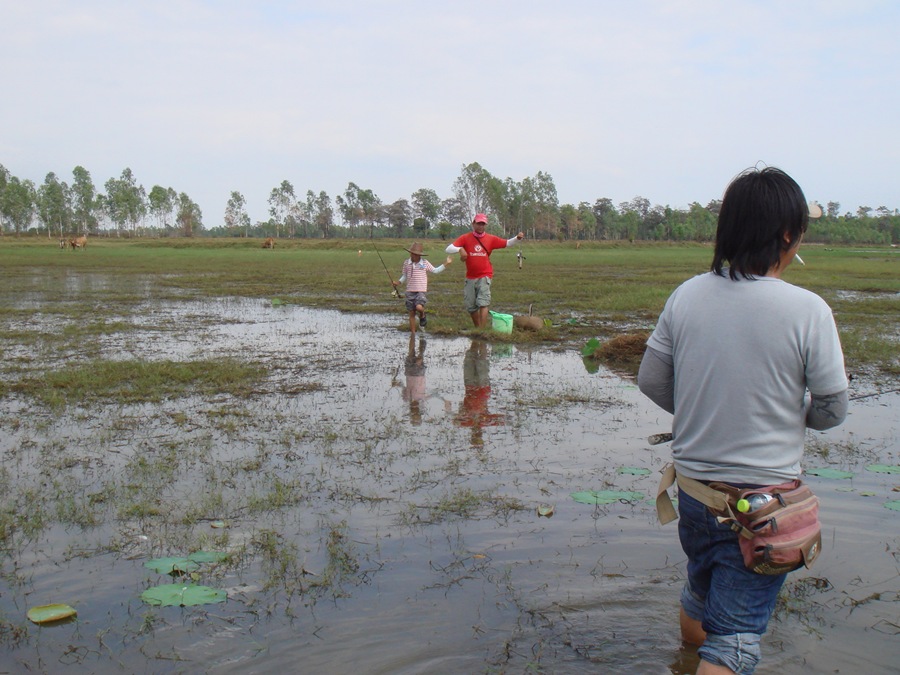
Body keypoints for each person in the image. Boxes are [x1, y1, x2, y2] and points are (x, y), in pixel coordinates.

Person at [637, 166, 848, 675]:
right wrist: (790, 415)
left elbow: (651, 381)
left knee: (700, 590)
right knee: (734, 641)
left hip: (692, 494)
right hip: (761, 507)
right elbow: (833, 408)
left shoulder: (686, 295)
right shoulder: (808, 310)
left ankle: (687, 661)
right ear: (787, 234)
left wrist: (702, 410)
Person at [445, 213, 524, 328]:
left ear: (485, 225)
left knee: (483, 303)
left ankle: (482, 330)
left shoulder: (490, 239)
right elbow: (448, 249)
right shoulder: (465, 238)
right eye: (478, 223)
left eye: (483, 224)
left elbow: (507, 243)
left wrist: (517, 238)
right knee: (471, 306)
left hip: (485, 275)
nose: (480, 226)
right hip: (470, 277)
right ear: (473, 224)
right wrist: (460, 249)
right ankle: (478, 329)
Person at [392, 242, 452, 334]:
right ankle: (413, 333)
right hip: (409, 291)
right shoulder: (406, 263)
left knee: (419, 307)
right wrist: (398, 282)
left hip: (420, 291)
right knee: (411, 313)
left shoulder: (424, 263)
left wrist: (446, 263)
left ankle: (422, 314)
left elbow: (435, 270)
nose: (413, 256)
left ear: (420, 255)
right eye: (412, 254)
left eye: (416, 254)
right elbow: (404, 275)